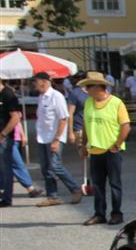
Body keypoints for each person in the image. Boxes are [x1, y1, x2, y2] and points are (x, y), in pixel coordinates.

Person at [78, 71, 130, 226]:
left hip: (111, 150)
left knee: (114, 184)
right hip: (95, 150)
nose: (86, 90)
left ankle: (116, 214)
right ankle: (99, 214)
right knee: (98, 186)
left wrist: (117, 144)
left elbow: (126, 126)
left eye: (88, 86)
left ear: (98, 87)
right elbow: (86, 126)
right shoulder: (88, 103)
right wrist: (83, 144)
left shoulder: (116, 103)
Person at [32, 72, 83, 207]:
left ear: (43, 81)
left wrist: (56, 139)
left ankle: (75, 189)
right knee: (46, 169)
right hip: (42, 138)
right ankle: (52, 196)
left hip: (54, 137)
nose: (34, 85)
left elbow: (63, 119)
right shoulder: (41, 97)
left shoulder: (56, 96)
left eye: (35, 82)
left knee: (55, 166)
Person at [0, 79, 24, 207]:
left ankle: (7, 198)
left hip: (5, 138)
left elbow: (15, 117)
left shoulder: (8, 94)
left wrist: (3, 134)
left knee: (6, 168)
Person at [11, 117, 43, 197]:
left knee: (12, 164)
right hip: (8, 139)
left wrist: (22, 134)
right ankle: (30, 188)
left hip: (15, 138)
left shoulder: (12, 106)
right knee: (17, 164)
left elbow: (17, 120)